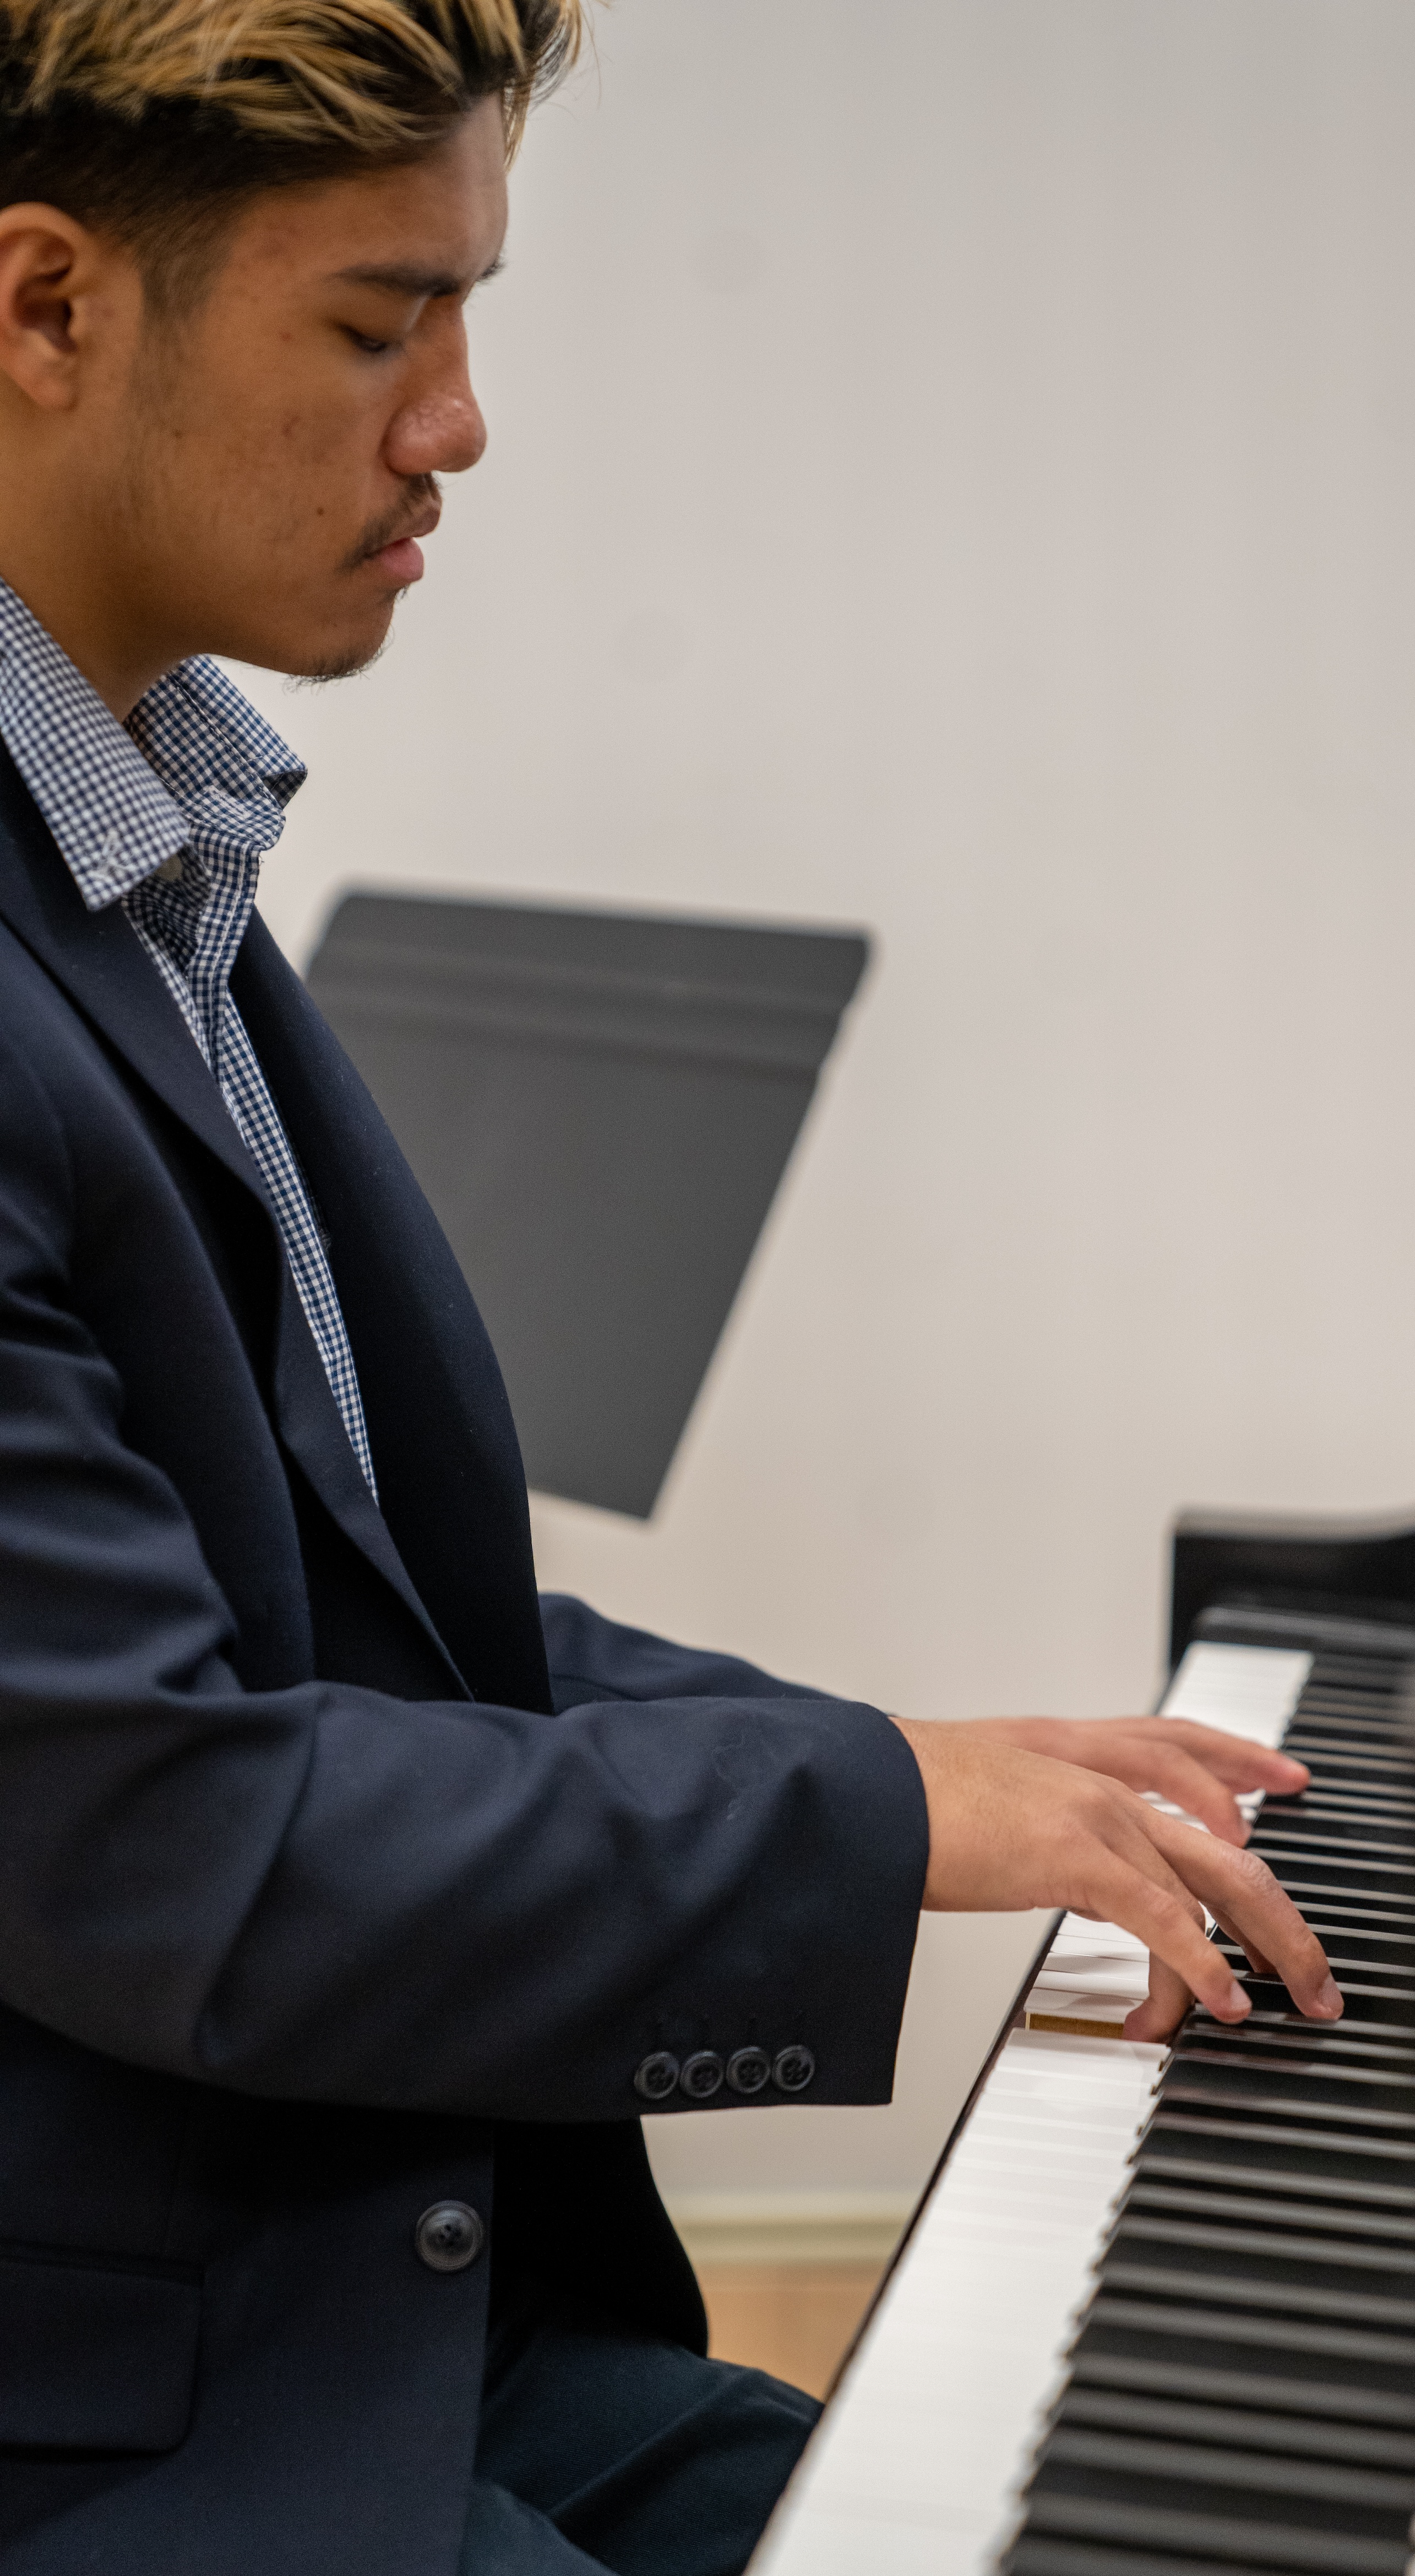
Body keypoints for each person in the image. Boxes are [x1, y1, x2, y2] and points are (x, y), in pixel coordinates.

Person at [0, 5, 1342, 2571]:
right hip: (121, 2430)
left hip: (331, 2310)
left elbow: (354, 1625)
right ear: (51, 306)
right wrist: (874, 1820)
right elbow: (183, 1840)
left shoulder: (141, 825)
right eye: (382, 324)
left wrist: (939, 1767)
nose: (460, 425)